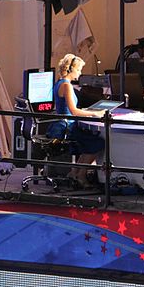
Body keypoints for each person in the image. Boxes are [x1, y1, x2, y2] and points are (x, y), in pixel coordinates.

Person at [48, 54, 105, 188]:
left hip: (65, 124)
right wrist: (94, 113)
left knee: (88, 143)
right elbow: (73, 111)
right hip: (67, 127)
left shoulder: (59, 83)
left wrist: (86, 111)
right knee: (97, 143)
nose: (80, 73)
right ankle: (81, 174)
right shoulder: (66, 86)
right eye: (78, 70)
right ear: (70, 70)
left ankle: (75, 172)